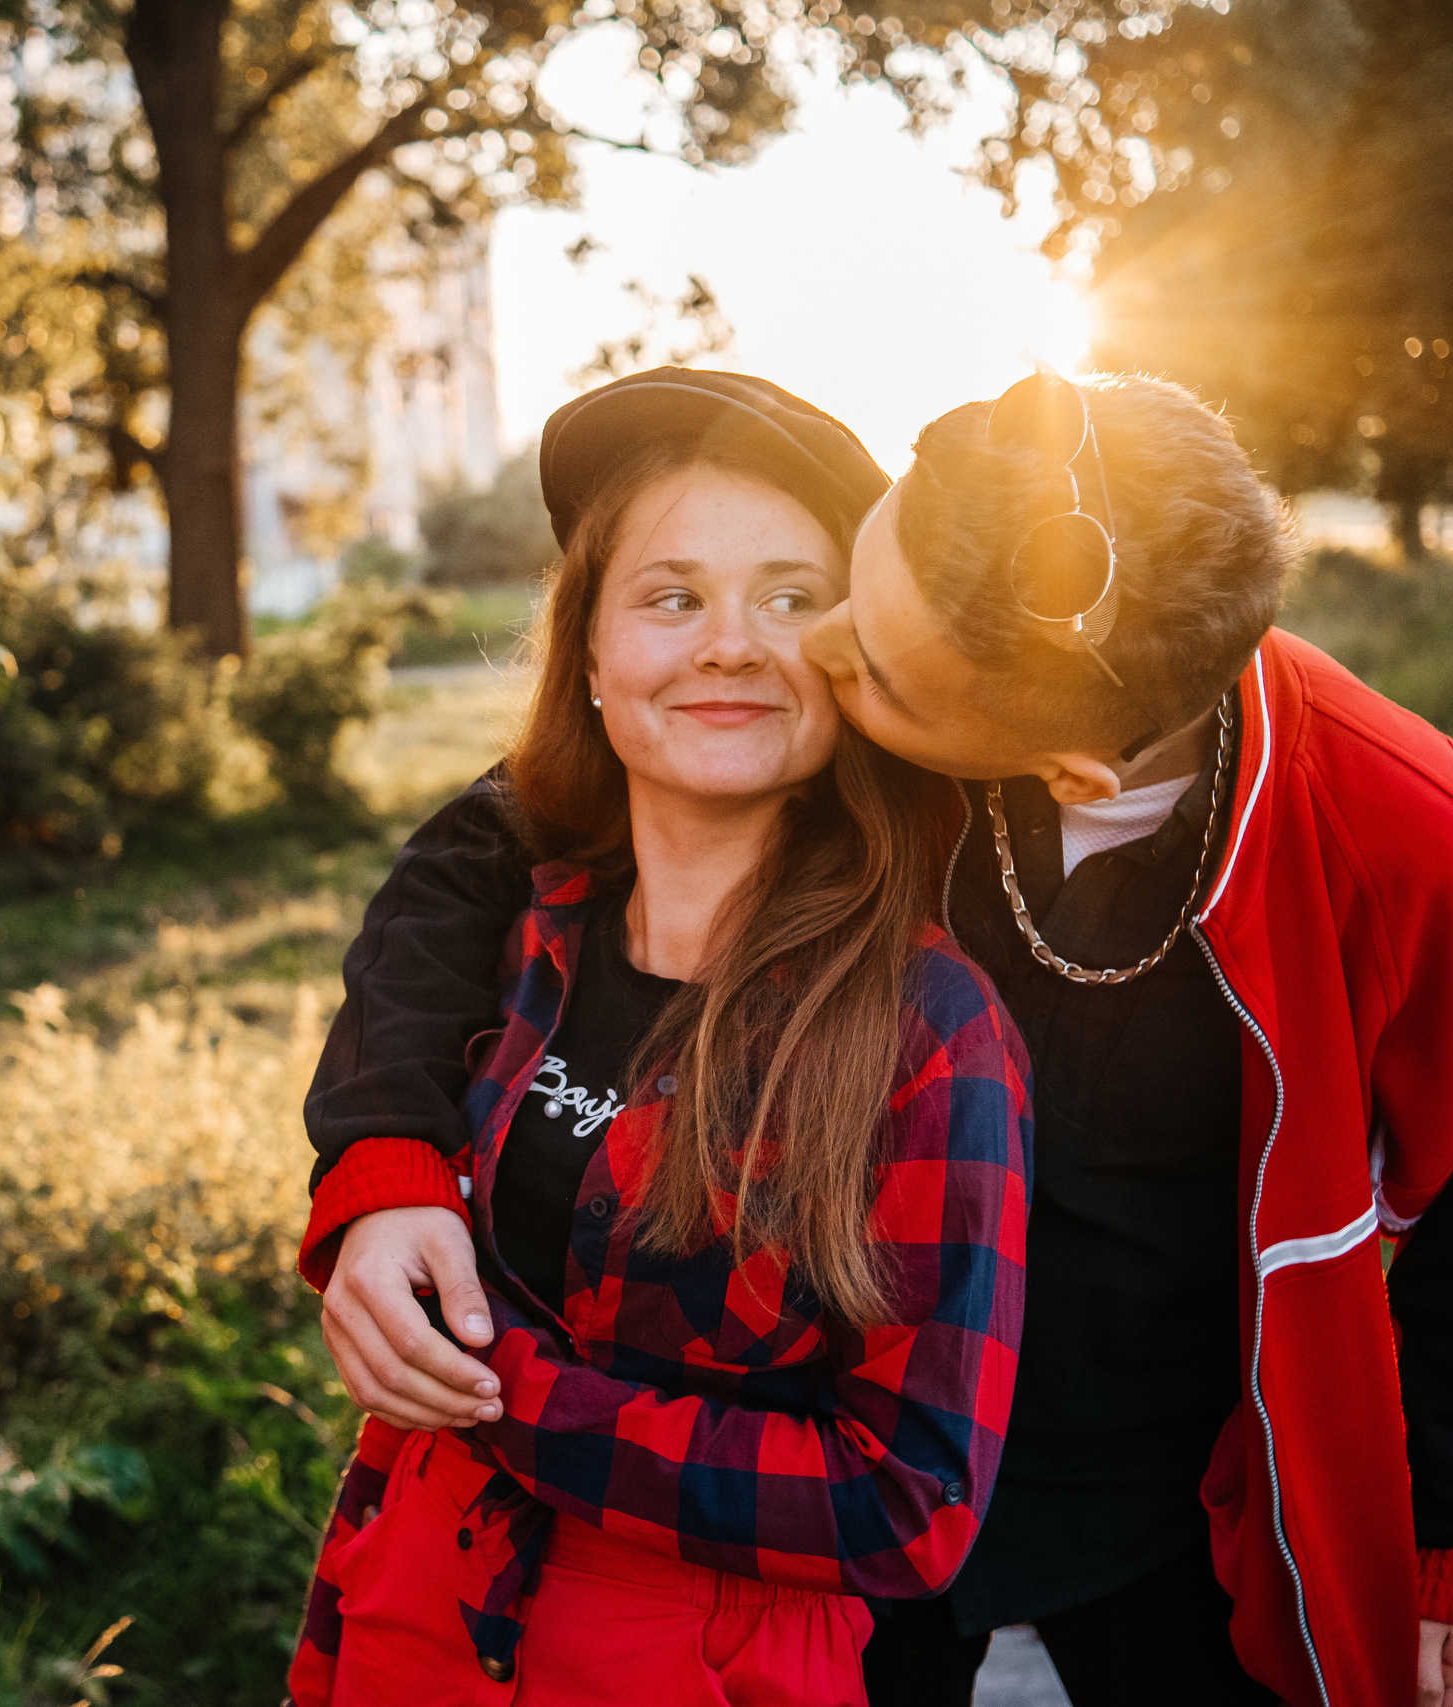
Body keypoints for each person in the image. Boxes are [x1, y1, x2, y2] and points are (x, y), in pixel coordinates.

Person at [301, 368, 1453, 1707]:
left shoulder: (1403, 832)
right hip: (834, 1456)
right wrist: (386, 1159)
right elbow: (479, 851)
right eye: (851, 588)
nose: (814, 650)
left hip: (1160, 1472)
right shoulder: (931, 638)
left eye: (863, 657)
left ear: (1056, 767)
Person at [286, 373, 1034, 1706]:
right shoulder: (516, 933)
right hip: (414, 1605)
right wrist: (377, 1206)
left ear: (856, 661)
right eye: (672, 597)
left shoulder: (929, 1030)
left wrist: (501, 1389)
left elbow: (909, 1502)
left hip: (703, 1665)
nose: (731, 645)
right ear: (587, 655)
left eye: (791, 600)